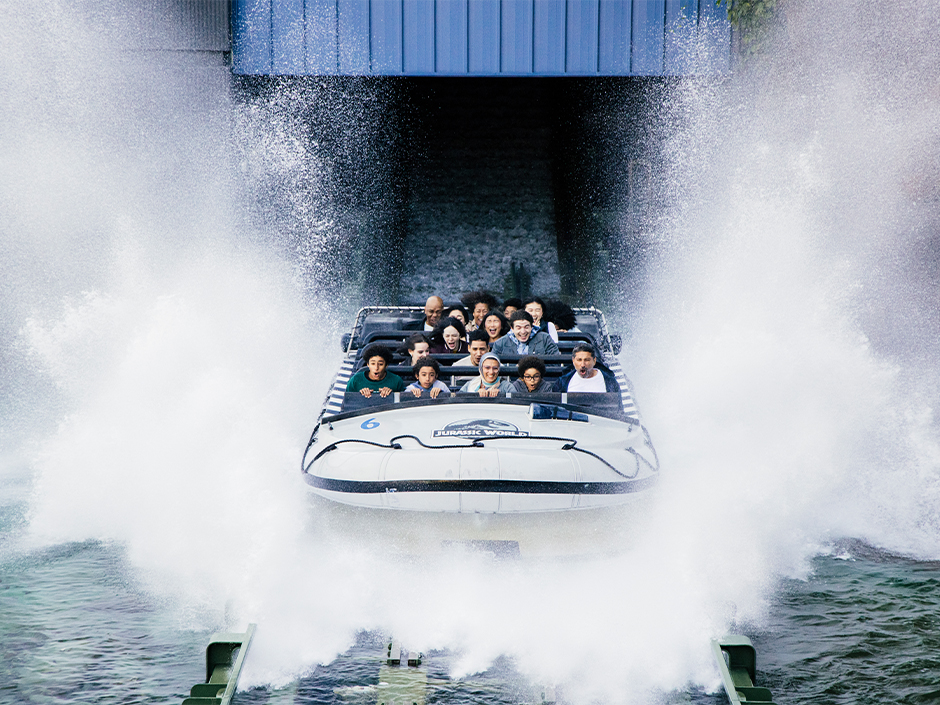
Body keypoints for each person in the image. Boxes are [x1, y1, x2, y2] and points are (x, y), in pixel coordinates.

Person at [552, 343, 619, 393]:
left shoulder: (610, 382)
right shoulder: (562, 383)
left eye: (587, 360)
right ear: (573, 361)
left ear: (594, 361)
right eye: (579, 360)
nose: (583, 364)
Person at [491, 311, 560, 357]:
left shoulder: (545, 338)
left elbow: (555, 362)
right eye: (518, 327)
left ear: (532, 327)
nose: (523, 331)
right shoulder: (500, 343)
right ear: (512, 328)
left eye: (526, 327)